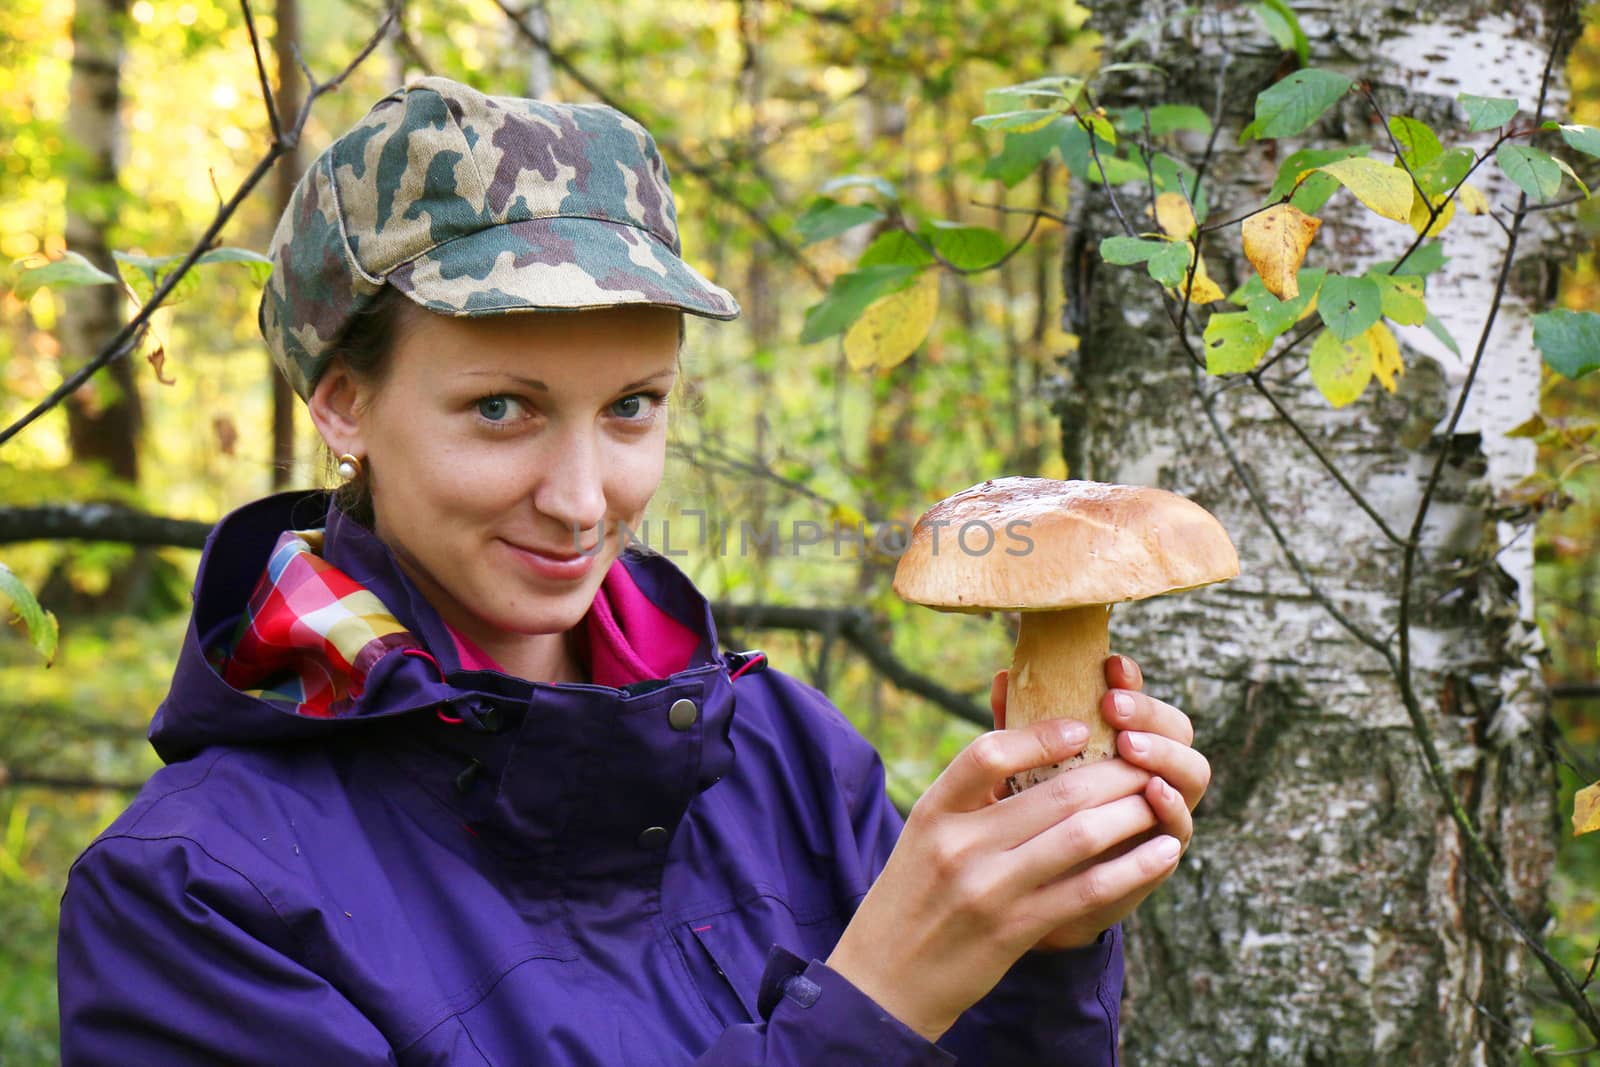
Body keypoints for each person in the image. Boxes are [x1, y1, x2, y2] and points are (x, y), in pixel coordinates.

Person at [56, 76, 1210, 1065]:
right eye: (500, 408)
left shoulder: (780, 753)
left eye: (631, 408)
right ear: (344, 404)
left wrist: (1042, 947)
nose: (581, 497)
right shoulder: (198, 895)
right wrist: (871, 1006)